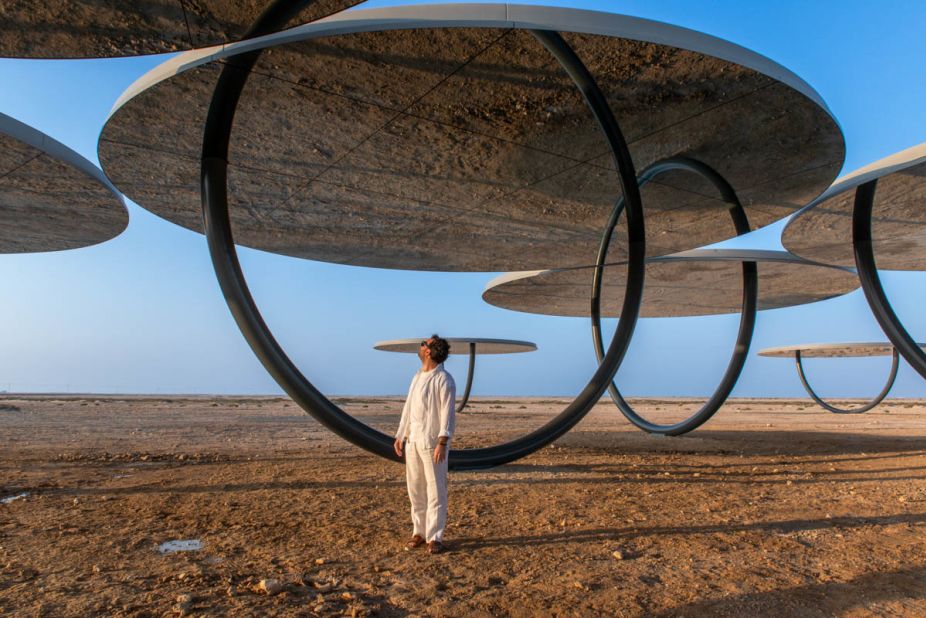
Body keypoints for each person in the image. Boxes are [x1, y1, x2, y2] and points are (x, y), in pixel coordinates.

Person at [393, 334, 456, 555]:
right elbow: (408, 408)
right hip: (414, 440)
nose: (420, 347)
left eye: (423, 344)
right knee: (416, 488)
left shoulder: (444, 379)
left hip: (432, 442)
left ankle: (435, 537)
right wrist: (401, 435)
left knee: (436, 489)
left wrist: (442, 441)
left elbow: (447, 414)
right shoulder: (417, 377)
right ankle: (418, 532)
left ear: (429, 351)